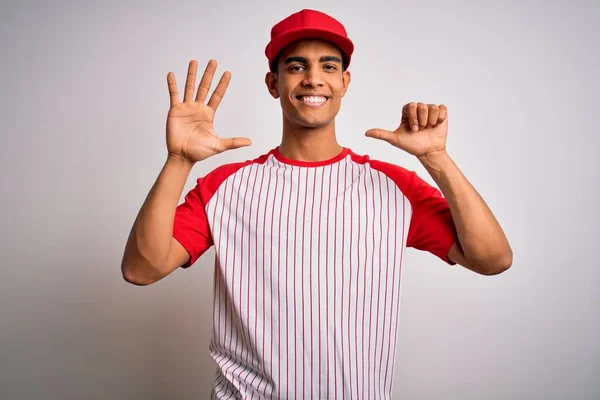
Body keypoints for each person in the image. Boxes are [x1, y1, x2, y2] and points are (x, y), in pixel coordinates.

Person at [121, 8, 512, 399]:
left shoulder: (393, 186)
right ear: (273, 83)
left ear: (344, 82)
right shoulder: (226, 186)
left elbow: (492, 258)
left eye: (328, 66)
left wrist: (436, 159)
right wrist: (179, 160)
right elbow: (142, 269)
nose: (313, 78)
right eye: (296, 66)